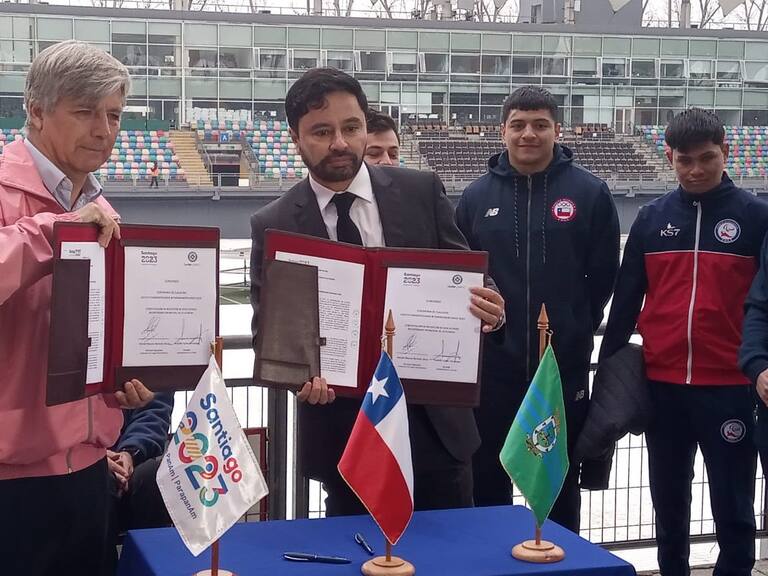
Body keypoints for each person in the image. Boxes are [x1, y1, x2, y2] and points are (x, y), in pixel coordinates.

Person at [249, 67, 505, 516]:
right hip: (343, 434)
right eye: (322, 131)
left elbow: (465, 274)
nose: (340, 143)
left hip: (435, 427)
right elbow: (267, 333)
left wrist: (490, 305)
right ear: (295, 137)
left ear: (366, 125)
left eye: (351, 127)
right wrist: (298, 377)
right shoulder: (273, 224)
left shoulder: (421, 190)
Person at [0, 41, 155, 576]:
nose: (103, 129)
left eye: (112, 114)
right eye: (85, 111)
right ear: (37, 111)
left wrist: (123, 378)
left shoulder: (100, 208)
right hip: (12, 480)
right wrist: (52, 233)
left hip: (92, 472)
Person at [601, 108, 768, 576]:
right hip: (663, 385)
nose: (695, 170)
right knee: (668, 499)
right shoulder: (653, 218)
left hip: (731, 387)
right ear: (669, 157)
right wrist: (610, 364)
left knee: (733, 500)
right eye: (684, 161)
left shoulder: (756, 218)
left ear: (726, 153)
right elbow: (627, 297)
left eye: (707, 158)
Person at [455, 86, 620, 532]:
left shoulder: (589, 193)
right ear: (502, 131)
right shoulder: (475, 198)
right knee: (488, 480)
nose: (529, 134)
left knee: (556, 485)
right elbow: (464, 277)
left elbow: (604, 275)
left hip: (559, 370)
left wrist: (576, 324)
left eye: (540, 125)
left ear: (557, 130)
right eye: (519, 125)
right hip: (493, 369)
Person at [105, 393, 174, 574]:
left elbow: (154, 412)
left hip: (131, 459)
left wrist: (129, 453)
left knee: (160, 478)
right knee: (95, 483)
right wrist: (95, 458)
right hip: (77, 462)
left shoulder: (150, 366)